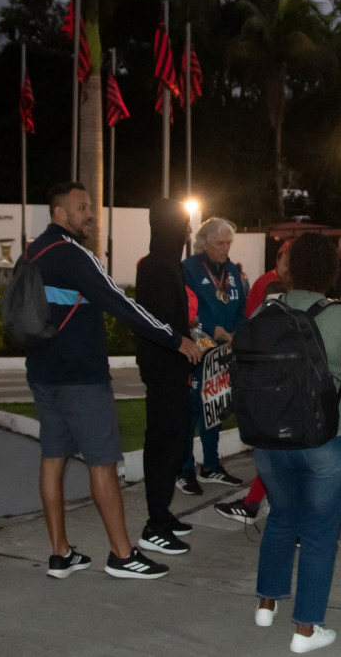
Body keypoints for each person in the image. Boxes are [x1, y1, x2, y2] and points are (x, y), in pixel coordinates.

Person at [27, 182, 201, 580]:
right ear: (59, 214)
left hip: (43, 373)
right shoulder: (73, 255)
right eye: (82, 207)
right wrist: (176, 340)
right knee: (103, 463)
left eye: (90, 206)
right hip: (81, 377)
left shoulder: (35, 250)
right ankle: (123, 555)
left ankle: (60, 554)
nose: (90, 213)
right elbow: (122, 305)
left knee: (53, 460)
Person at [251, 233, 341, 653]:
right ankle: (306, 629)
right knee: (321, 533)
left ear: (290, 268)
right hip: (327, 439)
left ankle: (266, 603)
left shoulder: (267, 311)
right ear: (331, 270)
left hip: (270, 439)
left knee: (282, 516)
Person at [134, 198, 200, 556]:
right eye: (185, 224)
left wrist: (184, 330)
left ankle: (162, 513)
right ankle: (154, 525)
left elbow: (165, 317)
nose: (189, 231)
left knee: (174, 444)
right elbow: (153, 322)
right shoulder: (158, 266)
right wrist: (180, 340)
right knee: (164, 447)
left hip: (171, 369)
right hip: (163, 371)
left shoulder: (166, 264)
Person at [214, 240, 295, 525]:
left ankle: (257, 504)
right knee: (275, 447)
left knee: (275, 448)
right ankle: (259, 504)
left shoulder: (289, 284)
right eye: (288, 258)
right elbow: (253, 327)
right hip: (268, 379)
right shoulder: (267, 284)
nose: (292, 264)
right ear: (280, 257)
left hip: (278, 380)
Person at [178, 217, 249, 495]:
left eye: (229, 242)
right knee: (192, 410)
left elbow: (241, 309)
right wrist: (212, 330)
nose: (225, 247)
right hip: (197, 350)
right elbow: (186, 310)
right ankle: (184, 470)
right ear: (204, 242)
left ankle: (210, 465)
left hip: (223, 352)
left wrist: (237, 334)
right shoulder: (188, 270)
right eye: (220, 242)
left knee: (215, 407)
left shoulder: (233, 271)